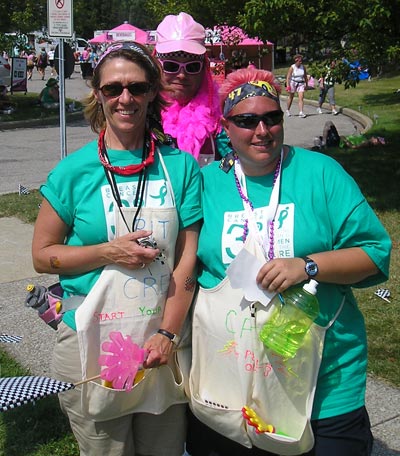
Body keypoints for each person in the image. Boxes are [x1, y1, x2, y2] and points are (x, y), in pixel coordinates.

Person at [185, 67, 391, 456]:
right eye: (247, 120)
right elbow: (185, 265)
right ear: (225, 126)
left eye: (272, 117)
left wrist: (308, 265)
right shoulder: (208, 183)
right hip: (233, 376)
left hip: (325, 379)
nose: (262, 130)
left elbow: (374, 252)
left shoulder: (321, 173)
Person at [31, 41, 201, 455]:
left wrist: (168, 333)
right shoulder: (73, 172)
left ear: (152, 93)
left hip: (158, 340)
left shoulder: (179, 166)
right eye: (113, 89)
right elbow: (41, 256)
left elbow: (186, 261)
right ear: (98, 94)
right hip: (90, 341)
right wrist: (106, 252)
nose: (125, 98)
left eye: (137, 88)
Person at [154, 12, 230, 167]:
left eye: (192, 66)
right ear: (156, 67)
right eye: (171, 66)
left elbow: (234, 165)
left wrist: (219, 171)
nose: (182, 75)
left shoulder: (219, 118)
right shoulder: (141, 111)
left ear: (204, 70)